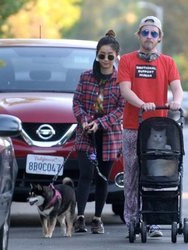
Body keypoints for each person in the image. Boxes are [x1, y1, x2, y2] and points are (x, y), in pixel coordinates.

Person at [117, 16, 183, 237]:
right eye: (145, 32)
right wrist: (141, 104)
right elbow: (125, 90)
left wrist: (177, 101)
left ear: (159, 38)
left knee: (155, 176)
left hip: (158, 128)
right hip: (132, 126)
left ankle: (153, 221)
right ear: (139, 35)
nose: (149, 37)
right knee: (132, 176)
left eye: (153, 33)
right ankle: (132, 221)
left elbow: (177, 88)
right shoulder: (127, 61)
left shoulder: (167, 62)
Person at [73, 30, 124, 234]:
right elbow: (77, 102)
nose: (105, 60)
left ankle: (97, 219)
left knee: (103, 178)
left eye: (110, 56)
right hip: (86, 134)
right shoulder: (85, 77)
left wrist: (100, 123)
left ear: (116, 57)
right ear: (96, 54)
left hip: (109, 136)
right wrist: (85, 121)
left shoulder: (121, 80)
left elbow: (121, 109)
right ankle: (79, 218)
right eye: (101, 55)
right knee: (85, 175)